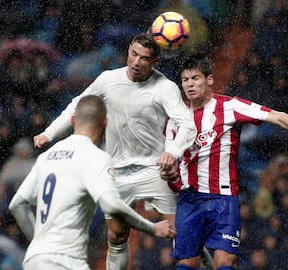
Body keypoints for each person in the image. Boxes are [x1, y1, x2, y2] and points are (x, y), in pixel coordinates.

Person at [32, 32, 196, 270]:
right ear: (128, 51)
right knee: (117, 237)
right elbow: (78, 105)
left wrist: (174, 150)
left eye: (144, 58)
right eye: (133, 54)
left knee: (181, 234)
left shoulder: (165, 88)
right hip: (117, 172)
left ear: (155, 62)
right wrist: (49, 132)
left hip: (154, 170)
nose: (136, 62)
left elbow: (187, 124)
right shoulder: (108, 80)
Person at [161, 54, 288, 270]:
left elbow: (277, 116)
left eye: (195, 78)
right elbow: (170, 164)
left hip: (223, 198)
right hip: (189, 199)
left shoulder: (230, 106)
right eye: (185, 80)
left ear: (209, 79)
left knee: (225, 262)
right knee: (186, 264)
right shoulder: (174, 120)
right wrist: (167, 173)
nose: (190, 84)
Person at [9, 95, 176, 270]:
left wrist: (39, 243)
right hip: (65, 261)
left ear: (73, 121)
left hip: (34, 260)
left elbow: (17, 204)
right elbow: (112, 206)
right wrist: (152, 228)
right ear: (105, 123)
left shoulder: (47, 156)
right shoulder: (95, 157)